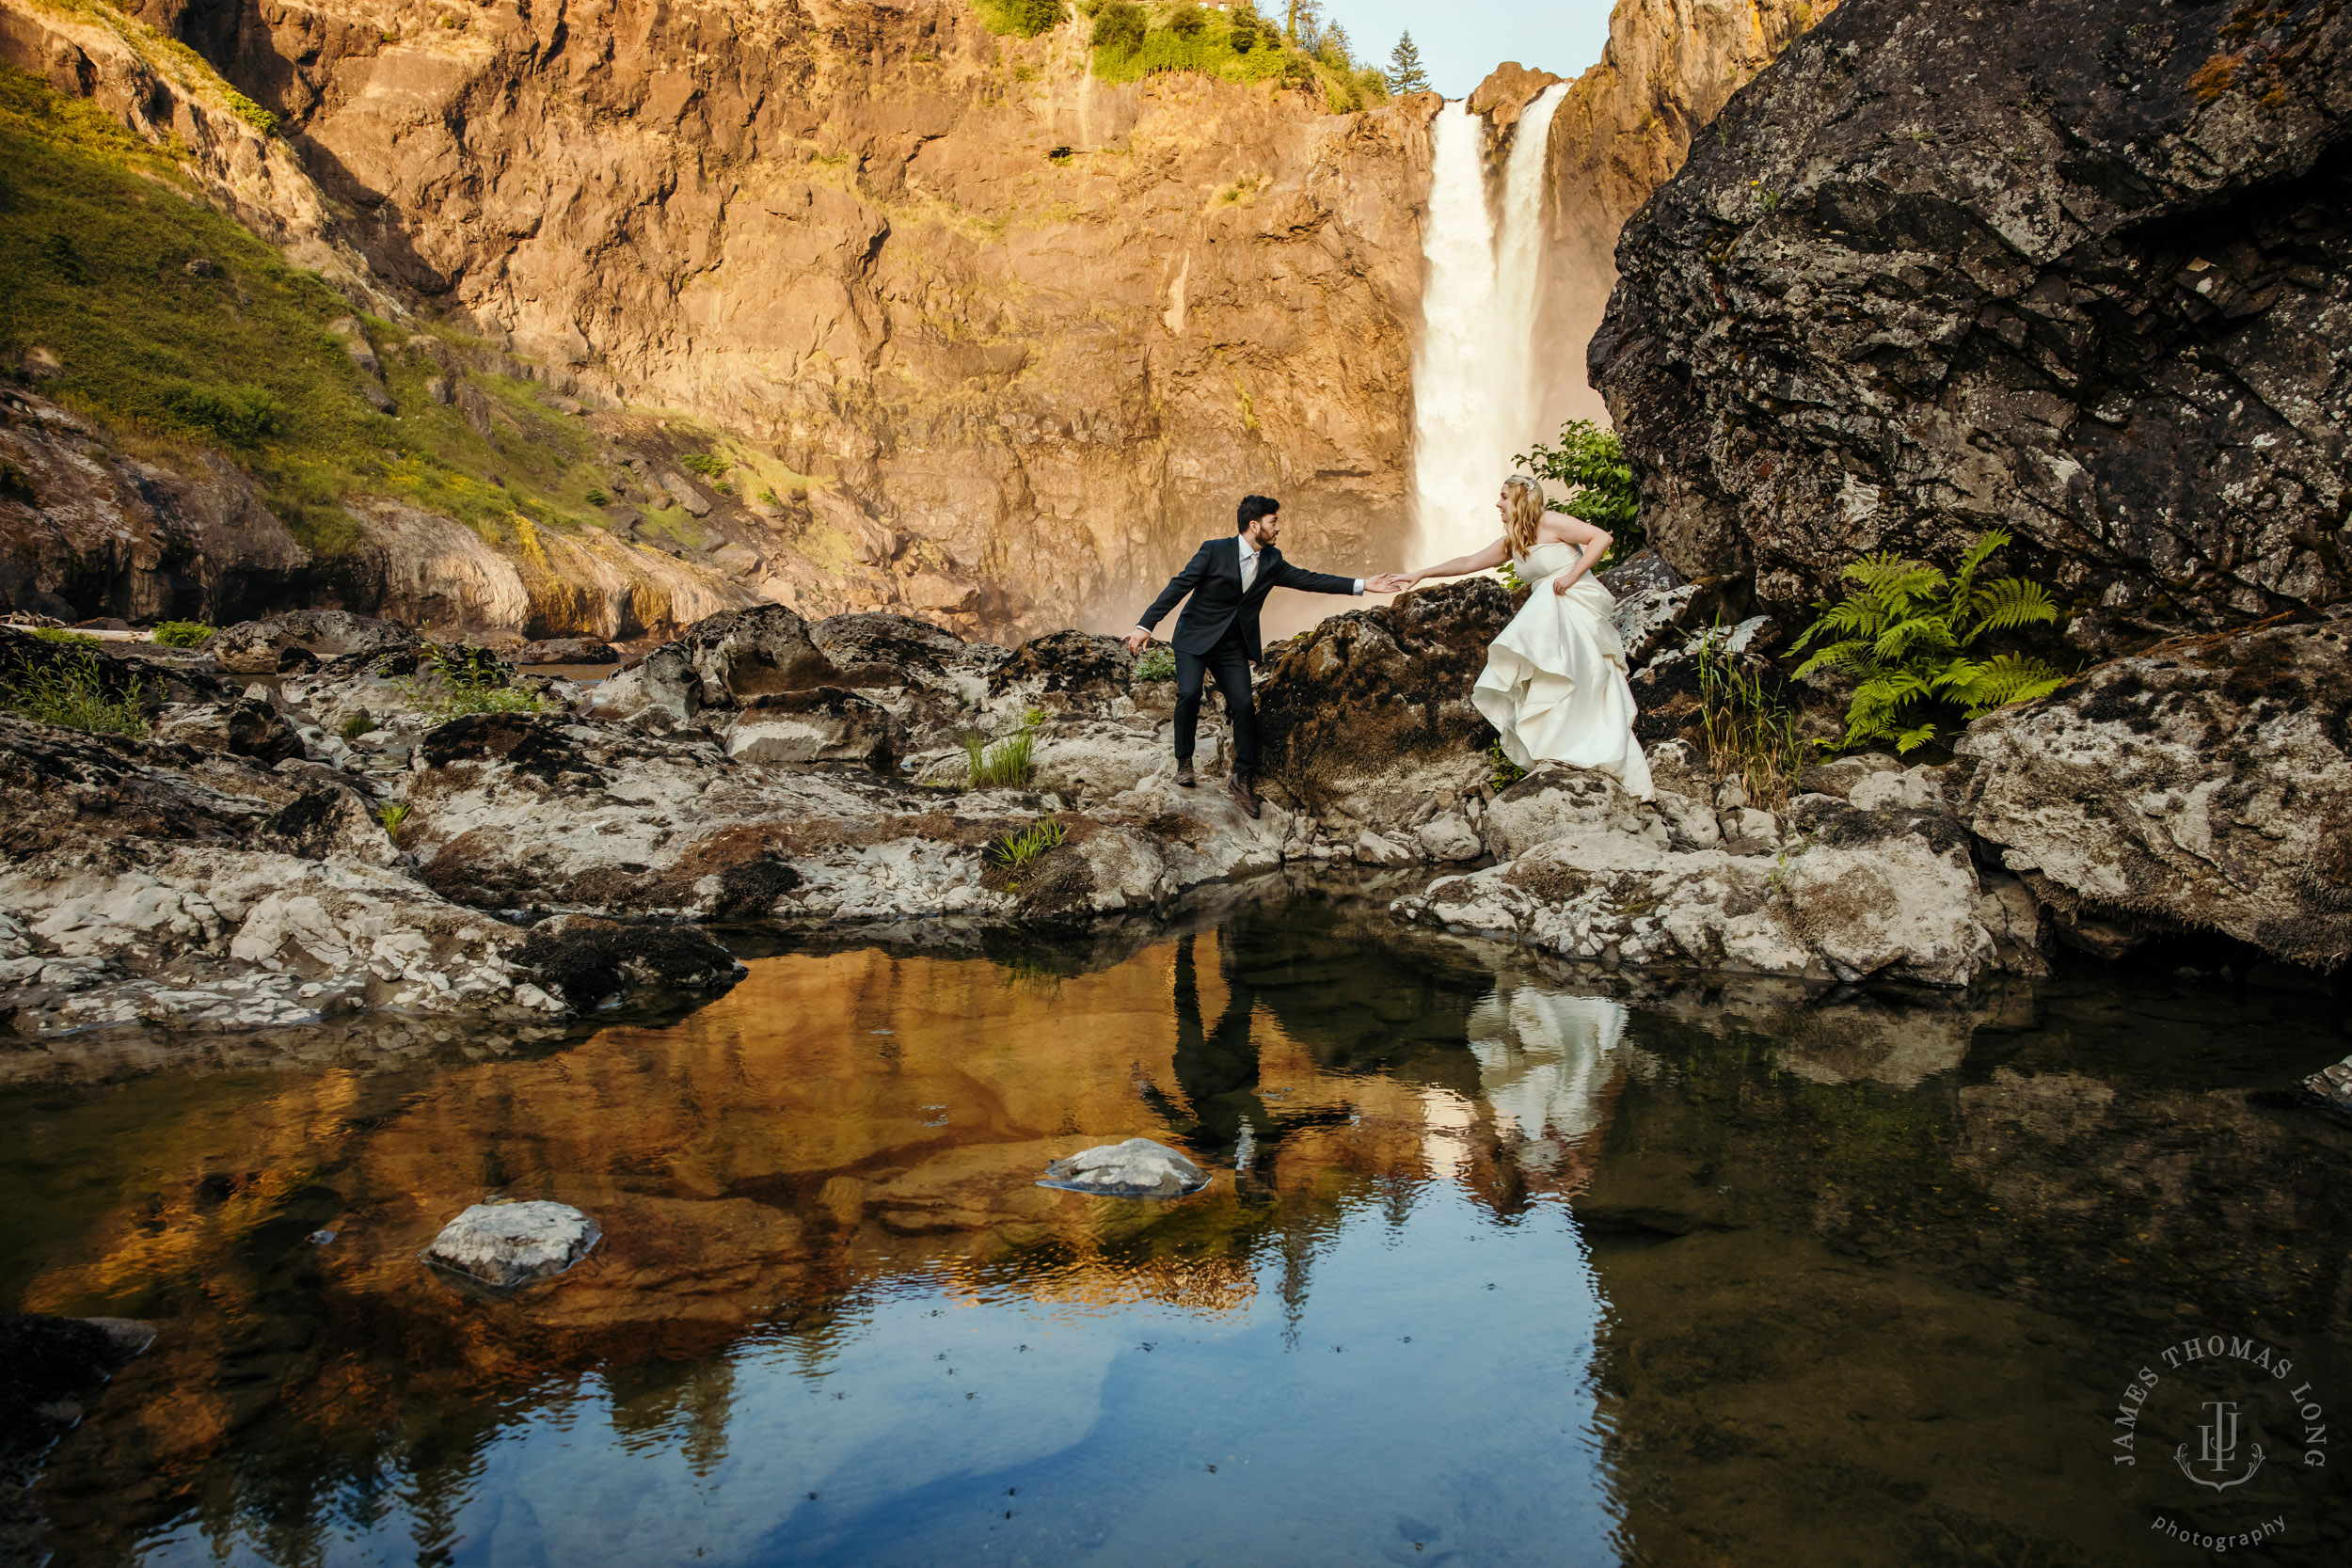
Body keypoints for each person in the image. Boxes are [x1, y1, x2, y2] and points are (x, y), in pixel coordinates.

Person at [1126, 495, 1407, 817]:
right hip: (1194, 638)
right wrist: (1145, 625)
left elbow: (1310, 579)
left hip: (1232, 645)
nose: (1279, 529)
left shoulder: (1272, 560)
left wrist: (1363, 585)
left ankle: (1242, 778)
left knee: (1244, 705)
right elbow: (1179, 586)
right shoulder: (1214, 550)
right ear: (1254, 525)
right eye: (1274, 522)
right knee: (1188, 693)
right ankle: (1185, 763)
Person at [1397, 475, 1653, 800]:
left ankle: (1595, 751)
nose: (1498, 503)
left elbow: (1601, 538)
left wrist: (1571, 576)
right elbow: (1470, 561)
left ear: (1520, 499)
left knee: (1583, 676)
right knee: (1546, 679)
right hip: (1546, 615)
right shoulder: (1514, 538)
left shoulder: (1552, 522)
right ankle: (1560, 750)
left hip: (1572, 605)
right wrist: (1421, 573)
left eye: (1504, 496)